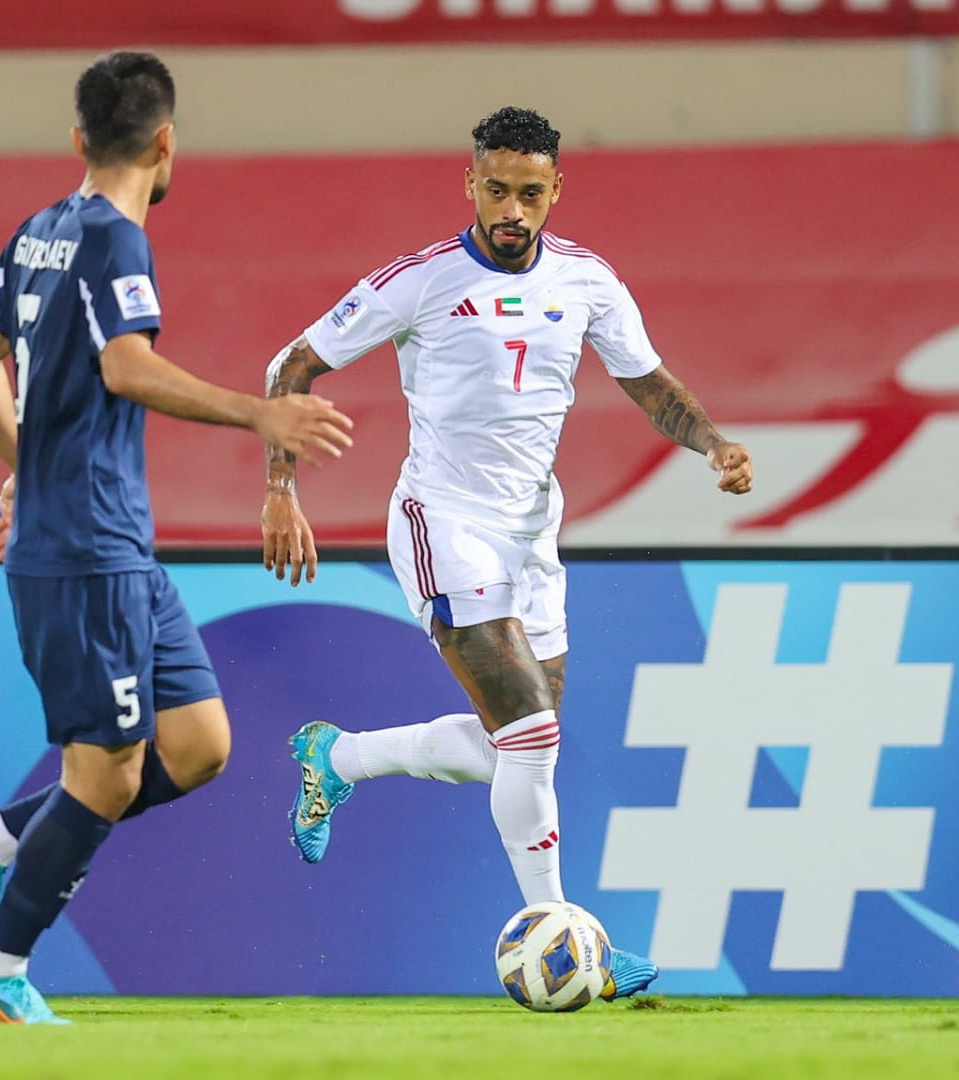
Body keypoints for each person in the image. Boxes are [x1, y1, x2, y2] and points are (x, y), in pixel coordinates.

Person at [259, 106, 752, 1002]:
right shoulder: (421, 281)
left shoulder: (588, 280)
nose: (513, 209)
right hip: (442, 519)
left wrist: (712, 443)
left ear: (556, 190)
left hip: (533, 532)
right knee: (529, 729)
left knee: (519, 746)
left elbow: (646, 379)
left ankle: (342, 758)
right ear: (470, 183)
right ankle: (569, 944)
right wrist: (281, 490)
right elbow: (290, 369)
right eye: (497, 189)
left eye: (531, 192)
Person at [0, 51, 354, 1024]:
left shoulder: (38, 232)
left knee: (200, 746)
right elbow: (127, 365)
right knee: (111, 771)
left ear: (80, 139)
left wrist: (29, 470)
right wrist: (259, 414)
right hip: (85, 551)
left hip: (114, 543)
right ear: (167, 144)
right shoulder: (117, 240)